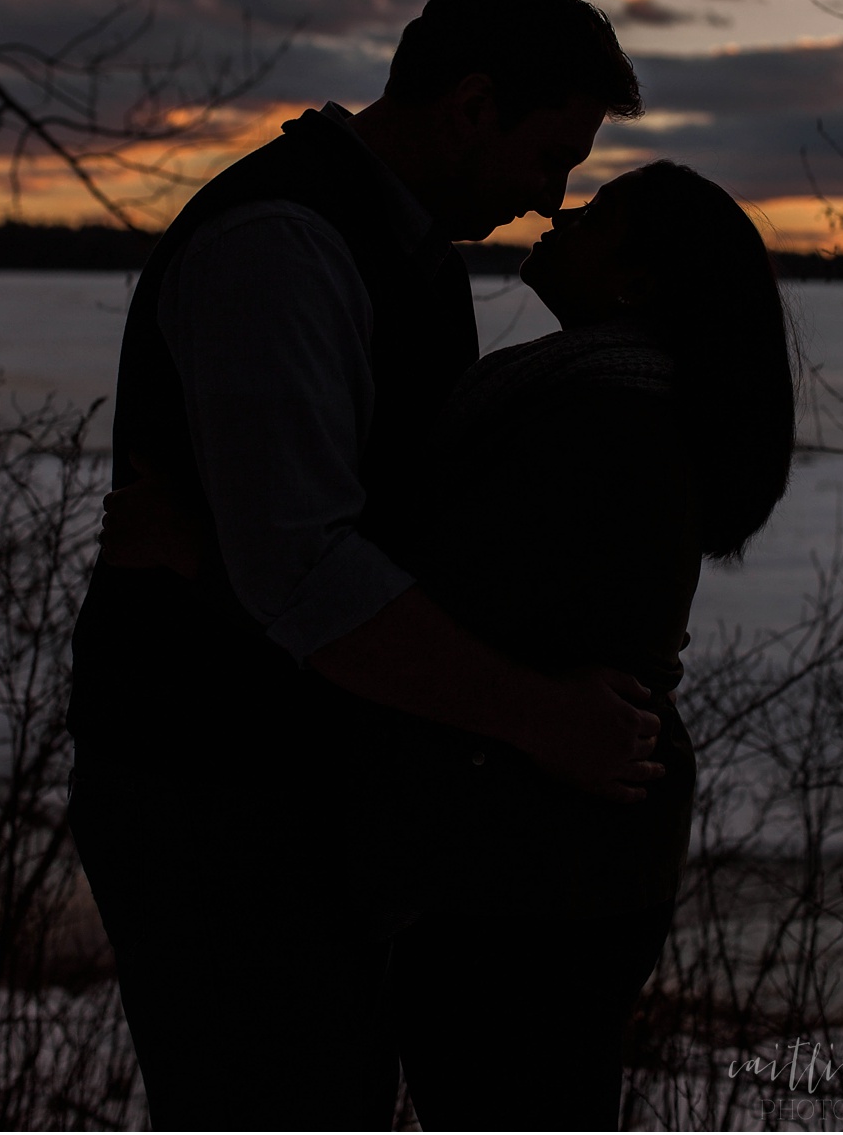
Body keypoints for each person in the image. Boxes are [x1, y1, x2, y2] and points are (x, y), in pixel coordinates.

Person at [67, 0, 664, 1133]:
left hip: (311, 804)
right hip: (213, 802)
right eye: (549, 156)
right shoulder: (280, 246)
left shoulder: (414, 263)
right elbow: (307, 570)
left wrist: (217, 550)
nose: (551, 200)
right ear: (472, 105)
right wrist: (547, 720)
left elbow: (396, 527)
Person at [100, 159, 796, 1131]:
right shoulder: (589, 402)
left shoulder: (599, 426)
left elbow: (420, 598)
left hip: (538, 887)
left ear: (633, 280)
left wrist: (198, 551)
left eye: (594, 214)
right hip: (546, 865)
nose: (558, 212)